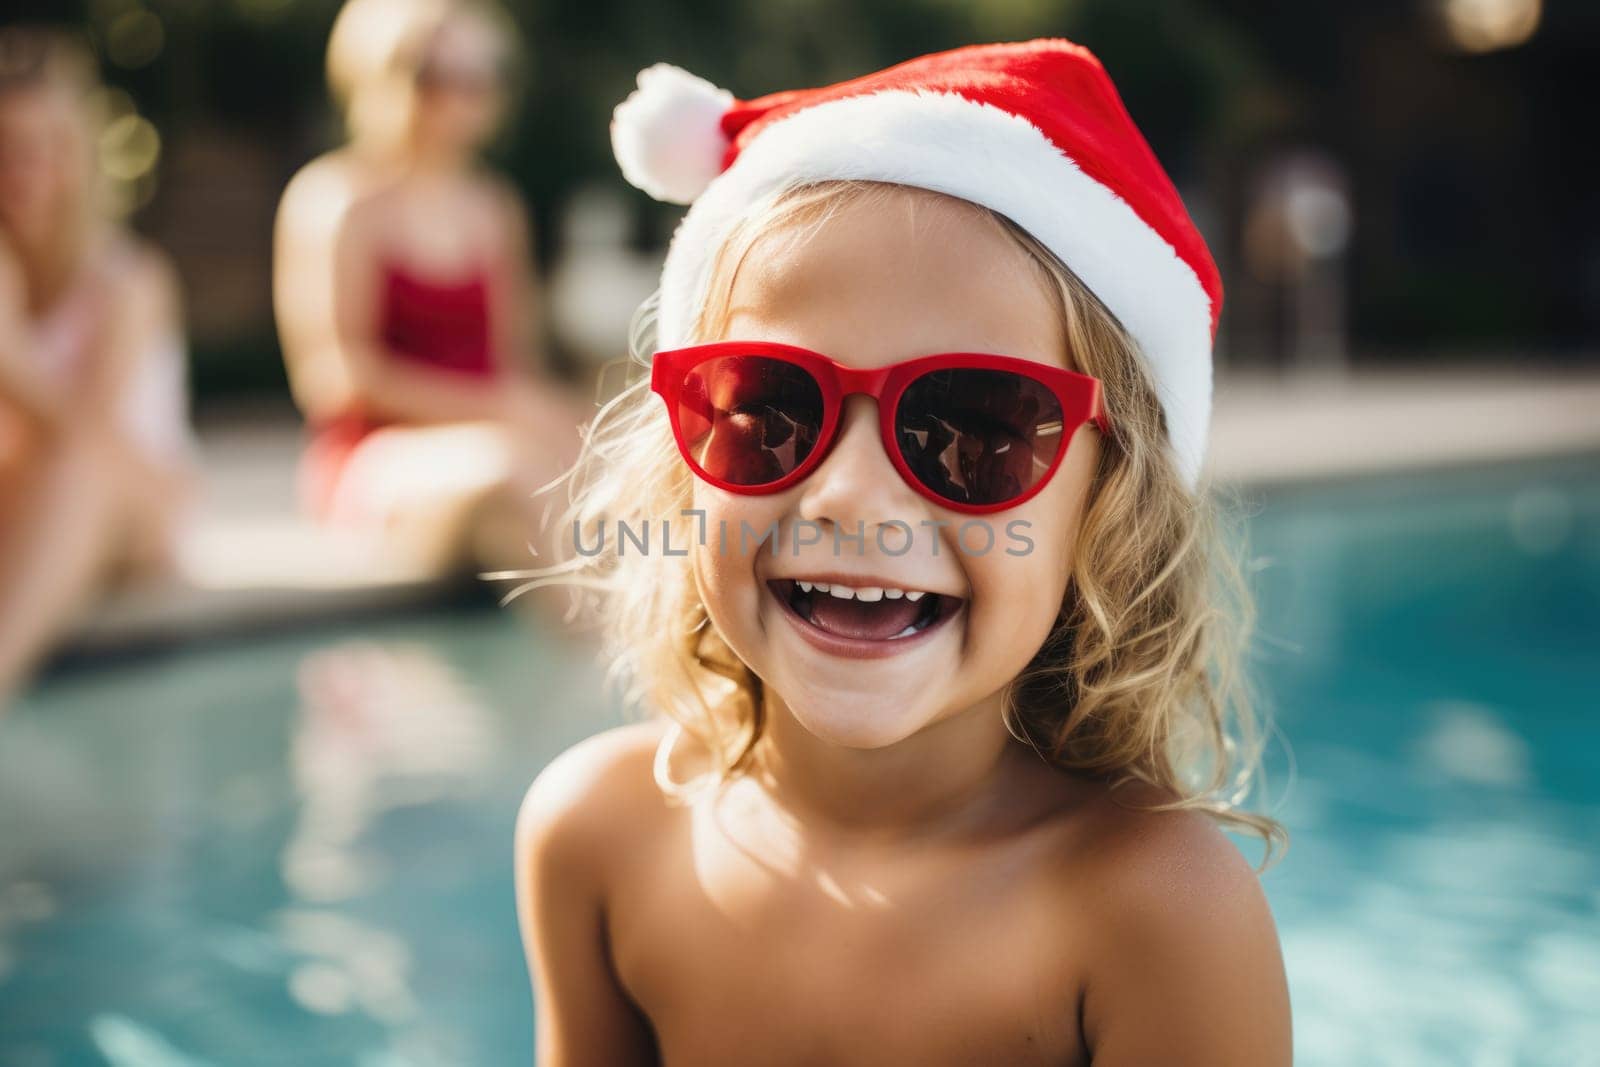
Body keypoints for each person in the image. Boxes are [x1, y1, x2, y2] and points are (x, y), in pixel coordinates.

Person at [514, 41, 1297, 1064]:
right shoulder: (598, 840)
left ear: (1110, 512)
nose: (845, 492)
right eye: (768, 407)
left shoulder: (1152, 915)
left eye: (977, 424)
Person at [273, 0, 588, 583]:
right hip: (374, 463)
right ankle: (606, 667)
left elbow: (515, 365)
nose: (458, 98)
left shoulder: (495, 208)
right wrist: (498, 410)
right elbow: (337, 379)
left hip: (488, 450)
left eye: (478, 77)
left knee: (608, 470)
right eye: (434, 76)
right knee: (510, 472)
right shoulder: (339, 200)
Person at [0, 28, 197, 705]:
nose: (20, 175)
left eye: (38, 153)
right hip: (19, 494)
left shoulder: (128, 281)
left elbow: (90, 437)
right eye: (4, 154)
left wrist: (9, 358)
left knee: (76, 472)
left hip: (131, 502)